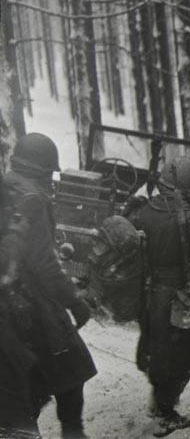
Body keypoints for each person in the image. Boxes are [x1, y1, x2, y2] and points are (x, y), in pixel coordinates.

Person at [0, 133, 96, 439]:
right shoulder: (33, 199)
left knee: (23, 376)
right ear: (42, 169)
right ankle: (72, 432)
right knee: (73, 369)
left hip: (7, 306)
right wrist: (74, 301)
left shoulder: (5, 187)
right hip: (31, 305)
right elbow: (44, 265)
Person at [130, 156, 190, 437]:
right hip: (179, 296)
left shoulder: (143, 211)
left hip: (148, 295)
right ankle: (165, 412)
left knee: (157, 347)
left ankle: (160, 400)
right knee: (188, 352)